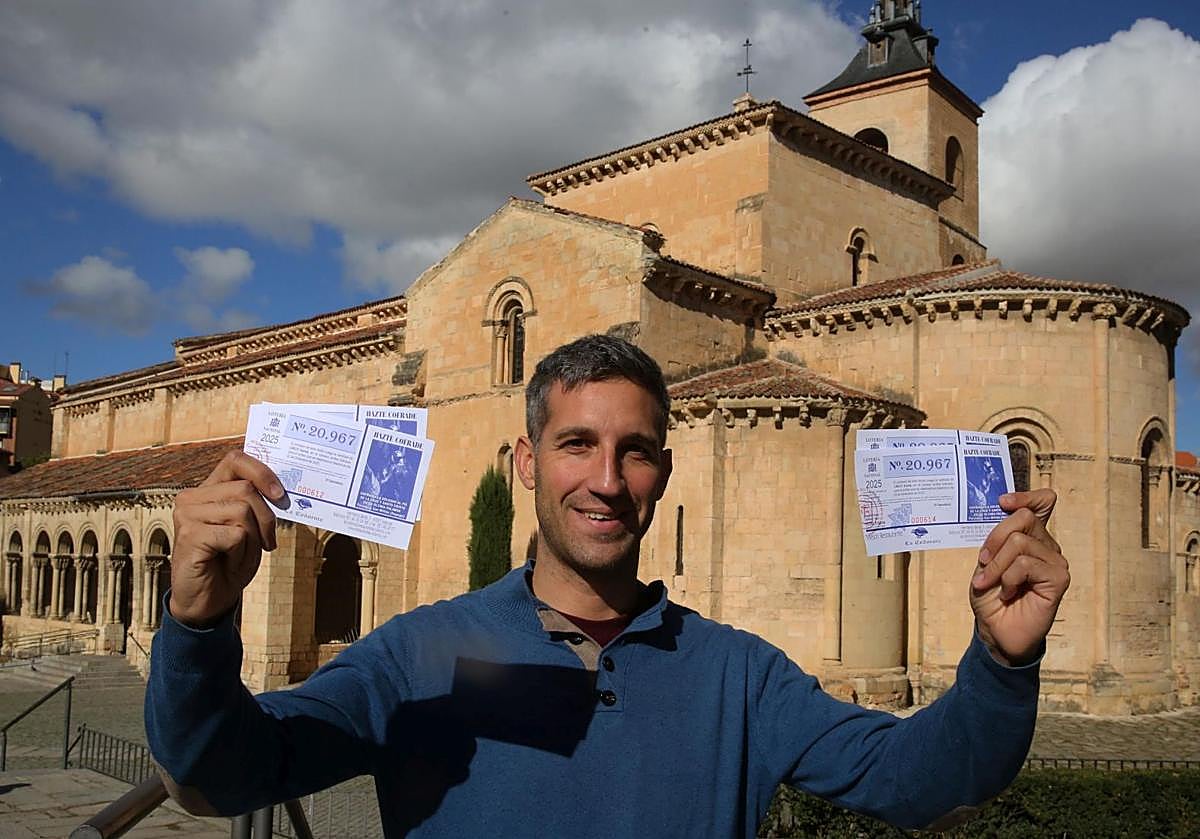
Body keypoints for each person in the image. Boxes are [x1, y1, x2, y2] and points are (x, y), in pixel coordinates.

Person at [147, 335, 1070, 837]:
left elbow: (922, 779)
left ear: (662, 473)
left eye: (635, 451)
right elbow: (220, 775)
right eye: (577, 443)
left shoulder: (739, 676)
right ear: (525, 462)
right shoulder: (415, 656)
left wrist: (1001, 660)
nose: (605, 479)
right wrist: (197, 625)